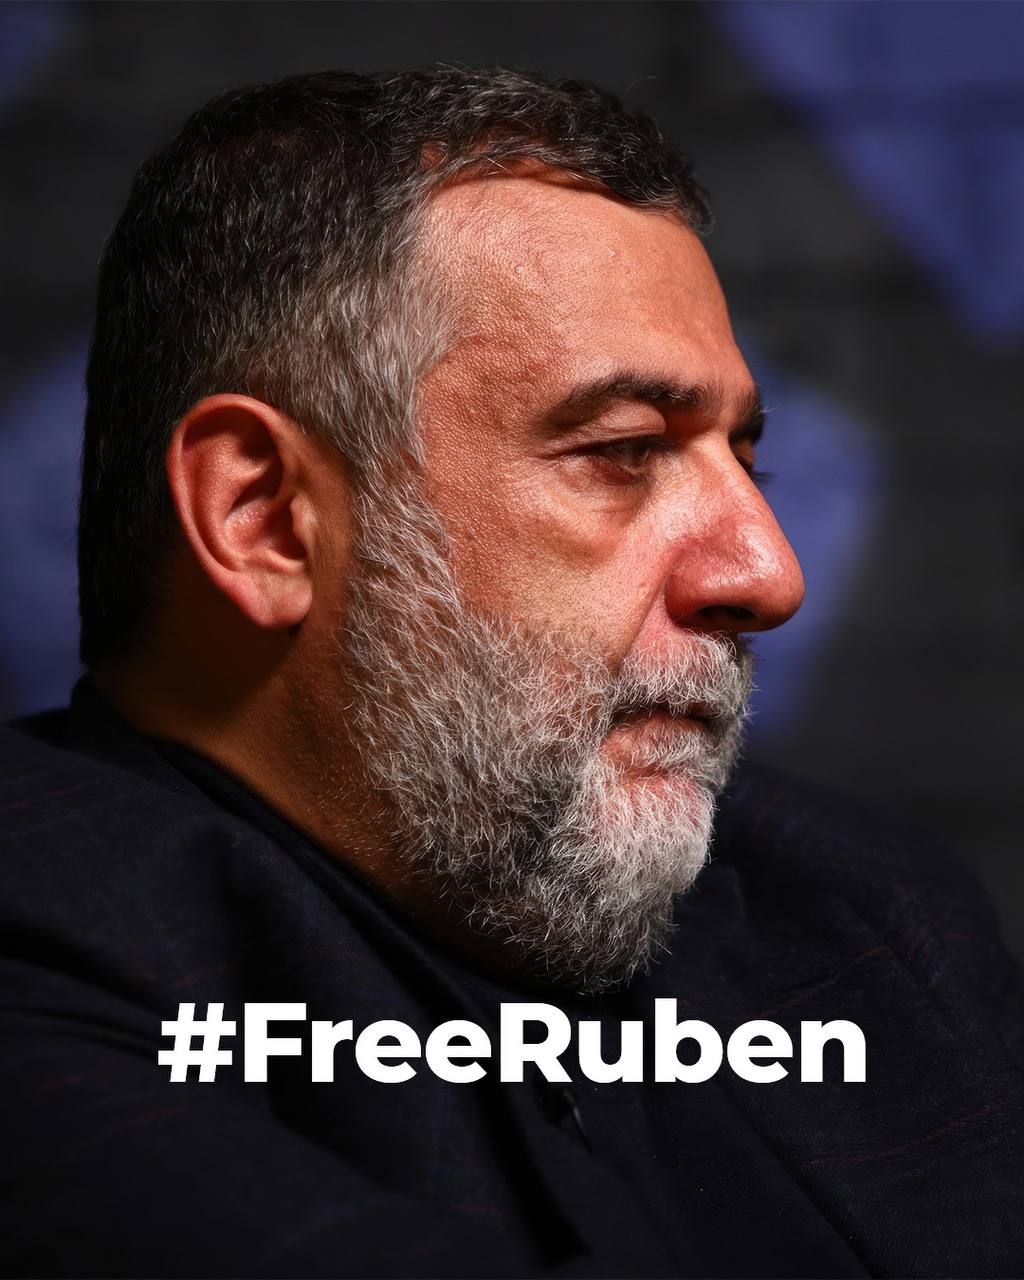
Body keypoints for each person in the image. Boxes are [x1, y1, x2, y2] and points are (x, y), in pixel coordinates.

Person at [0, 66, 1020, 1279]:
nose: (767, 571)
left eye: (745, 458)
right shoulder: (48, 944)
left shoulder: (865, 906)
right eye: (623, 450)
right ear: (263, 518)